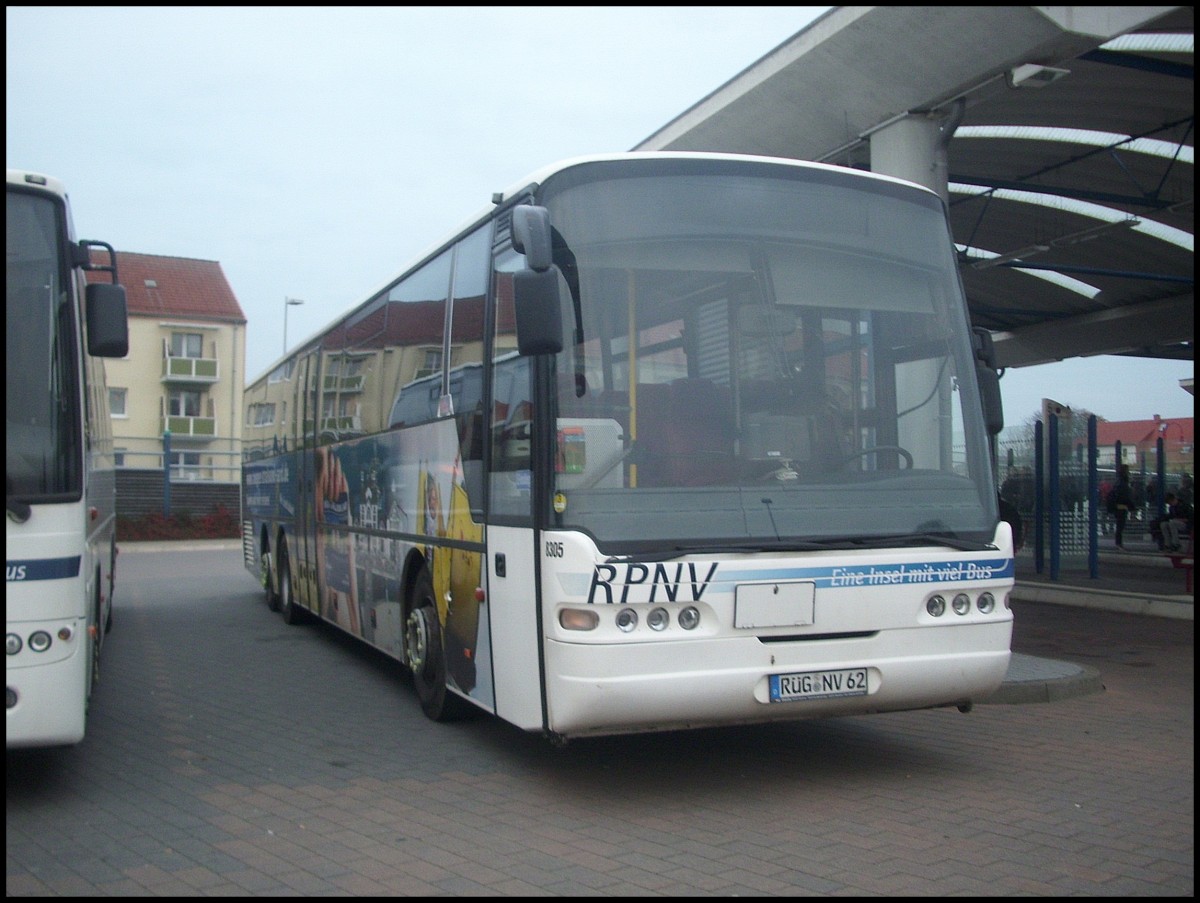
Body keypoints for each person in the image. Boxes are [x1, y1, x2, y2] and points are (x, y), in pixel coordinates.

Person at [1110, 464, 1134, 550]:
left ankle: (1118, 544)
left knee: (1119, 526)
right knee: (1120, 526)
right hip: (1122, 507)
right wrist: (1131, 506)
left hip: (1118, 507)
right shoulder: (1123, 483)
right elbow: (1125, 496)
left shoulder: (1118, 482)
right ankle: (1119, 544)